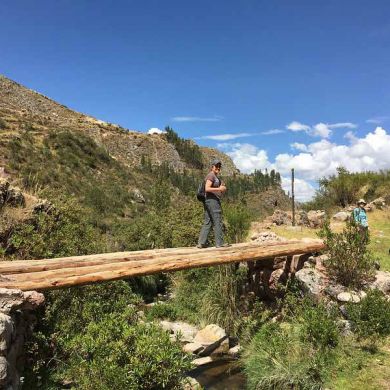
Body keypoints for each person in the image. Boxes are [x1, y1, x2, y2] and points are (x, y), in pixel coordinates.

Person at [197, 159, 230, 248]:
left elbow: (214, 190)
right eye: (216, 166)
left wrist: (221, 189)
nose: (218, 168)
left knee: (208, 221)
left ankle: (201, 243)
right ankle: (220, 243)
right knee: (217, 220)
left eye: (219, 166)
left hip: (210, 200)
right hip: (212, 201)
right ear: (212, 167)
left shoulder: (215, 177)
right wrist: (219, 189)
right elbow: (207, 188)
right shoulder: (211, 175)